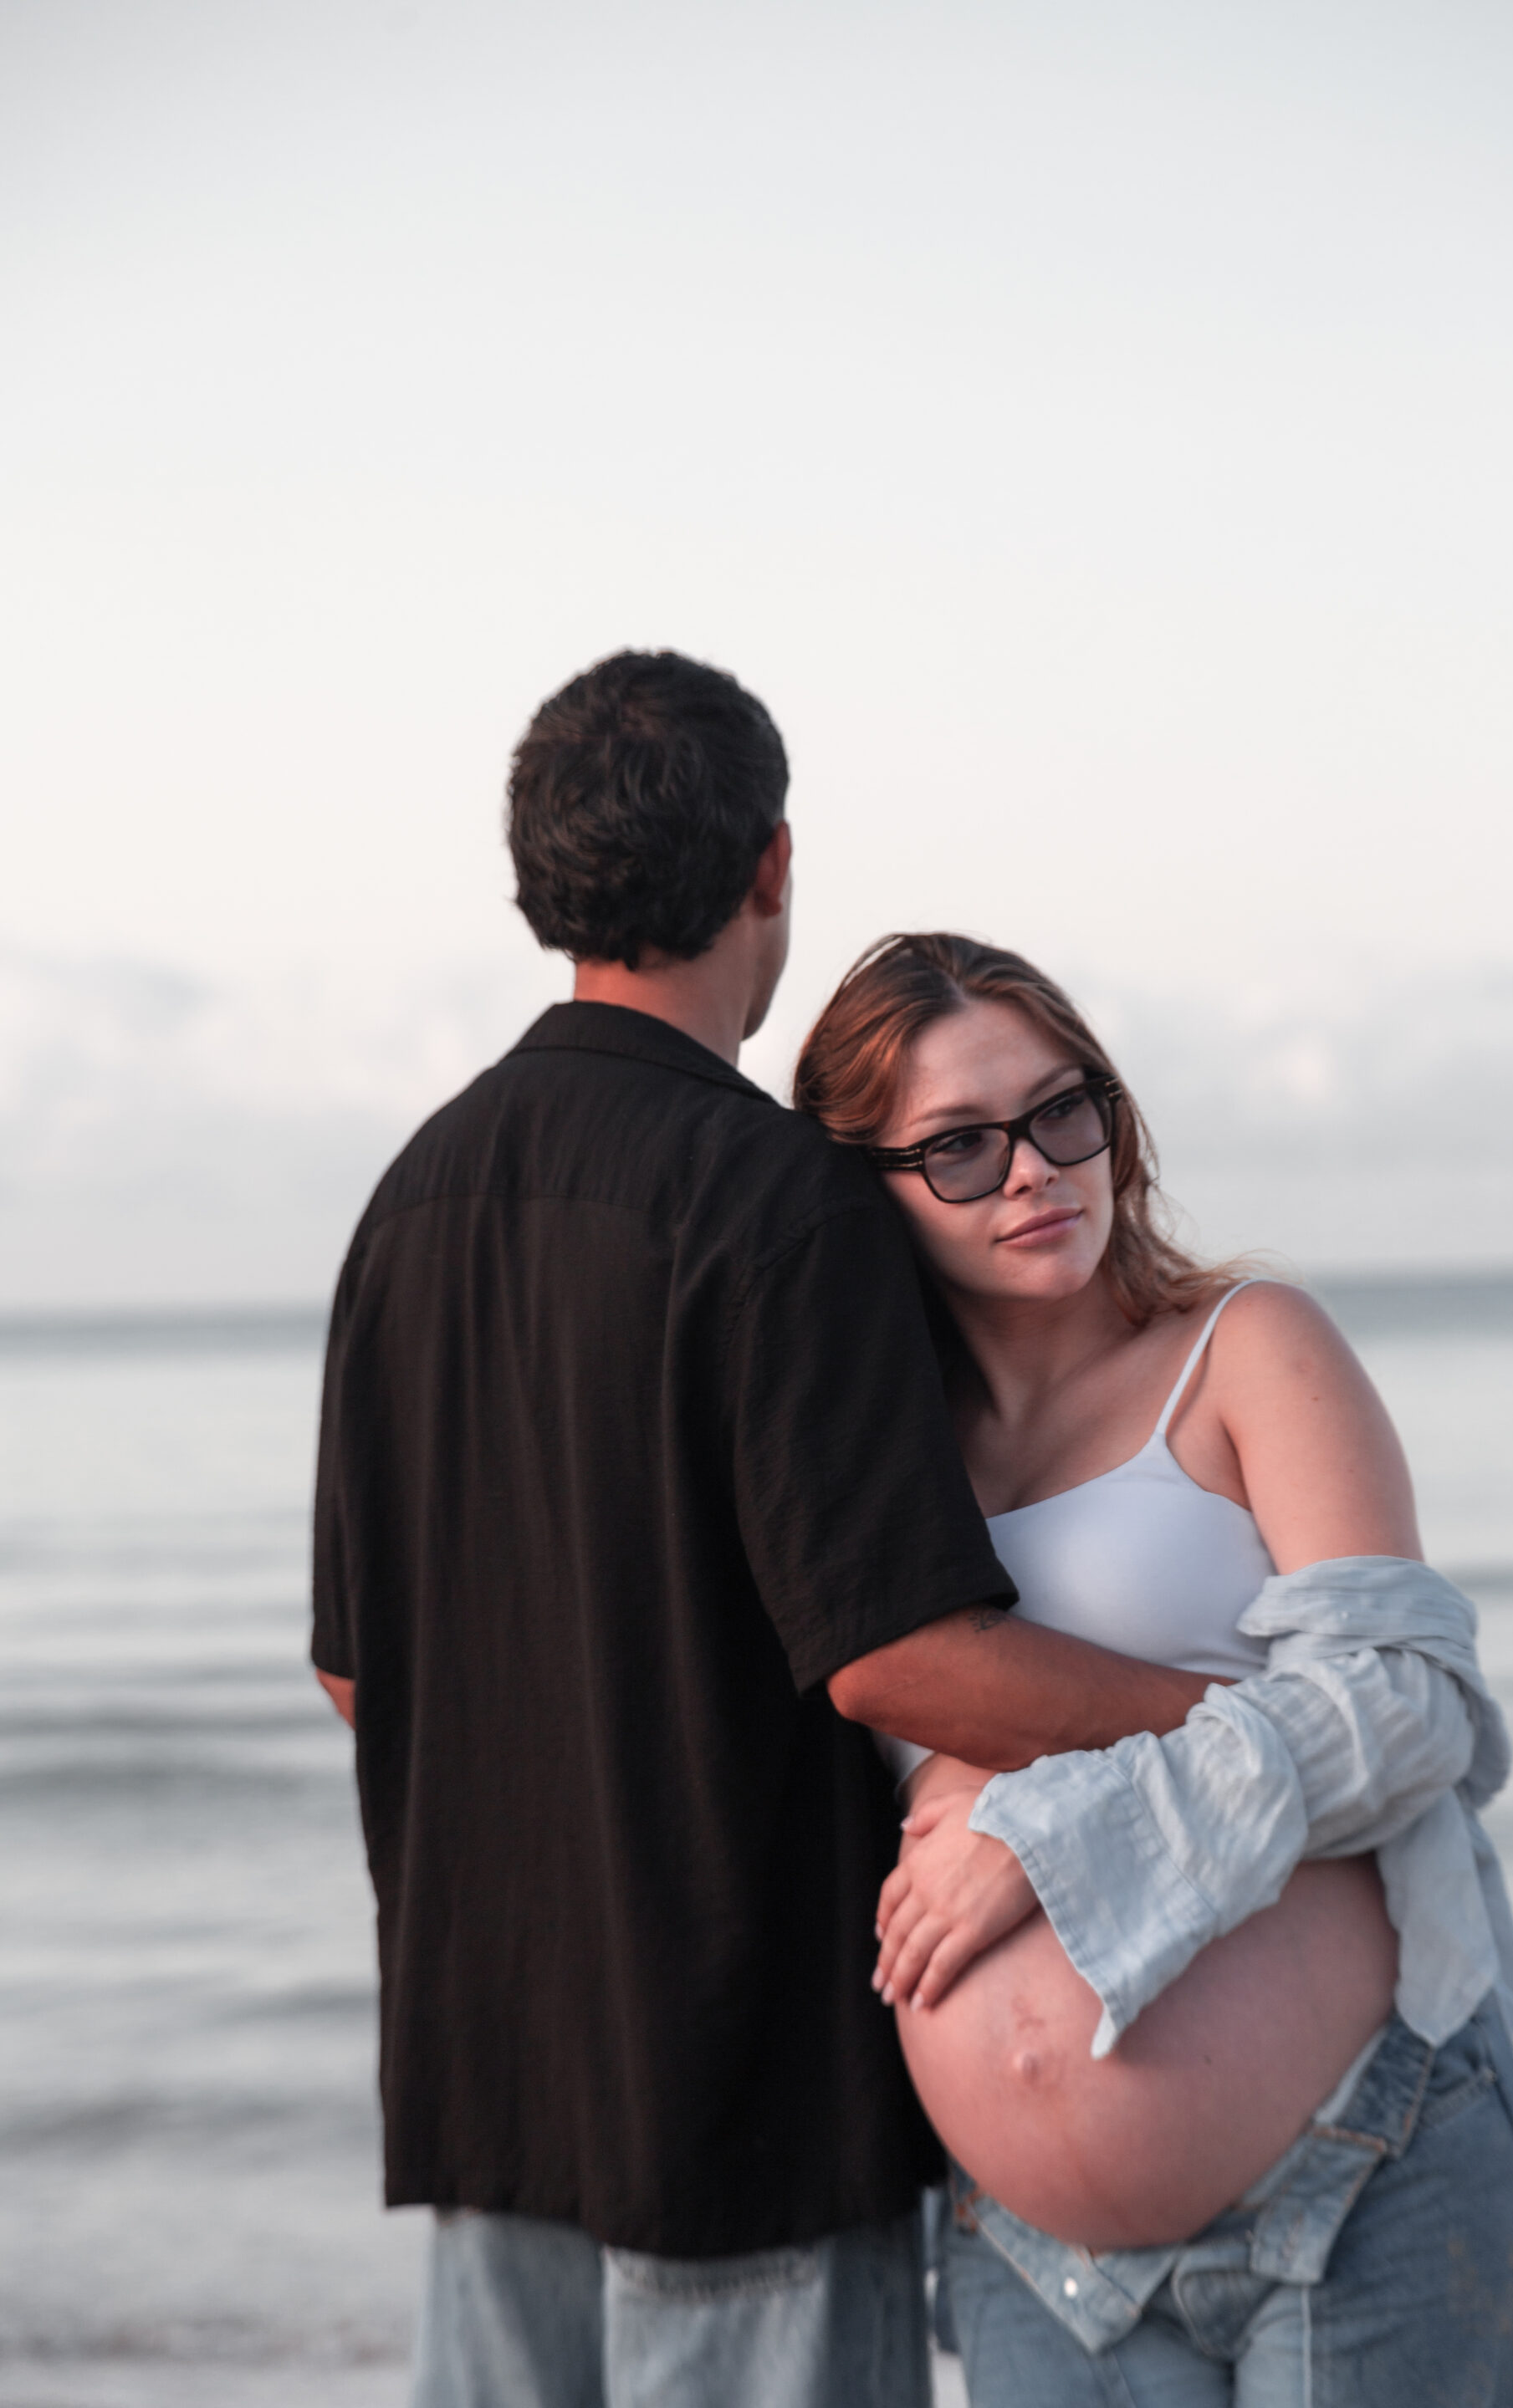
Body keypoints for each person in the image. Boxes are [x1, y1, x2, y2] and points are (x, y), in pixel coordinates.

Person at [309, 656, 1250, 2408]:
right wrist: (1242, 1728)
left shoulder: (409, 1202)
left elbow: (362, 1674)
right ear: (771, 868)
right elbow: (898, 1649)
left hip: (486, 2051)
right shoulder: (780, 1198)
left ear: (544, 886)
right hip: (738, 2060)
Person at [795, 931, 1513, 2408]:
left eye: (1061, 1110)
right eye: (961, 1149)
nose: (1035, 1169)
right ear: (869, 1188)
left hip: (1370, 2171)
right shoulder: (869, 1472)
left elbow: (1411, 1710)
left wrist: (1050, 1840)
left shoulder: (1244, 1348)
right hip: (1035, 2255)